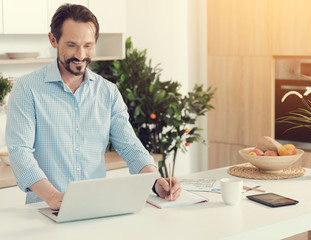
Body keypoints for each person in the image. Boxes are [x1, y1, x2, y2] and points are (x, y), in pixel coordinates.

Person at [5, 3, 181, 210]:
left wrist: (155, 181)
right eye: (72, 45)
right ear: (53, 40)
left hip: (96, 207)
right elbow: (19, 152)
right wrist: (52, 196)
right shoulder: (28, 89)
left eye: (88, 45)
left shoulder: (108, 92)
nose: (81, 55)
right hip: (46, 208)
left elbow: (130, 146)